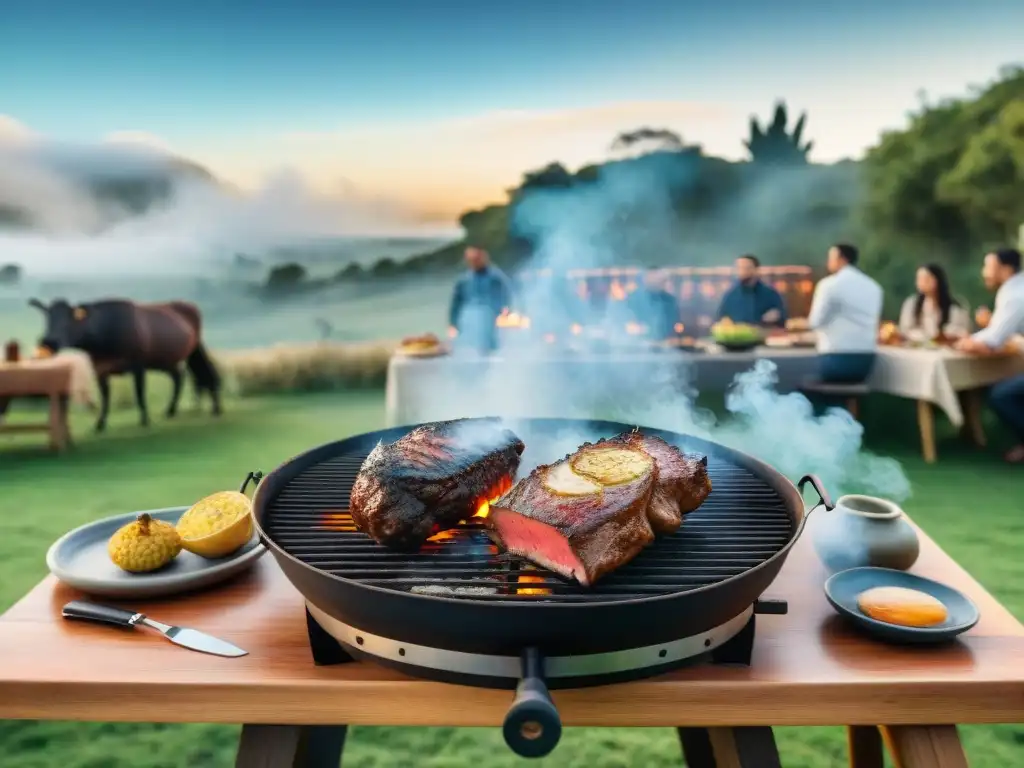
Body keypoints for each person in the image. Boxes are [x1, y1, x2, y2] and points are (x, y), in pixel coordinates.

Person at [954, 248, 1024, 463]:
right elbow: (1000, 331)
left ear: (1005, 269)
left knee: (1001, 394)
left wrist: (969, 342)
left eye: (988, 267)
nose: (984, 273)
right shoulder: (1014, 290)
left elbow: (994, 339)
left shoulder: (1015, 294)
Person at [806, 243, 883, 383]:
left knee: (795, 375)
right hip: (866, 362)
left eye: (830, 257)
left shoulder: (828, 285)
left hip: (836, 359)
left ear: (842, 259)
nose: (827, 262)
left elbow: (815, 322)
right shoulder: (874, 287)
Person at [447, 246, 513, 353]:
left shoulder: (495, 277)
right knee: (469, 345)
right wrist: (453, 322)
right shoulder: (464, 280)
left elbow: (506, 293)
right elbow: (456, 302)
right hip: (468, 317)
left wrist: (505, 308)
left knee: (490, 343)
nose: (474, 262)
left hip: (490, 314)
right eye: (471, 260)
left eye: (477, 259)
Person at [897, 263, 970, 341]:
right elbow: (905, 330)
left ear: (937, 280)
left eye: (926, 279)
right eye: (919, 279)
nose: (921, 283)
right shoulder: (912, 304)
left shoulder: (955, 307)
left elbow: (962, 331)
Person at [715, 254, 787, 327]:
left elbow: (782, 319)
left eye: (746, 268)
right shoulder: (730, 295)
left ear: (756, 270)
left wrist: (776, 317)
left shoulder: (771, 294)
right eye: (739, 268)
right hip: (737, 337)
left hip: (763, 336)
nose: (742, 272)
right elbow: (719, 319)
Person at [630, 269, 681, 340]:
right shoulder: (634, 299)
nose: (654, 281)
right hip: (639, 342)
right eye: (652, 279)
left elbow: (676, 323)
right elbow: (629, 322)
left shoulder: (670, 300)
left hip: (667, 342)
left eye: (656, 279)